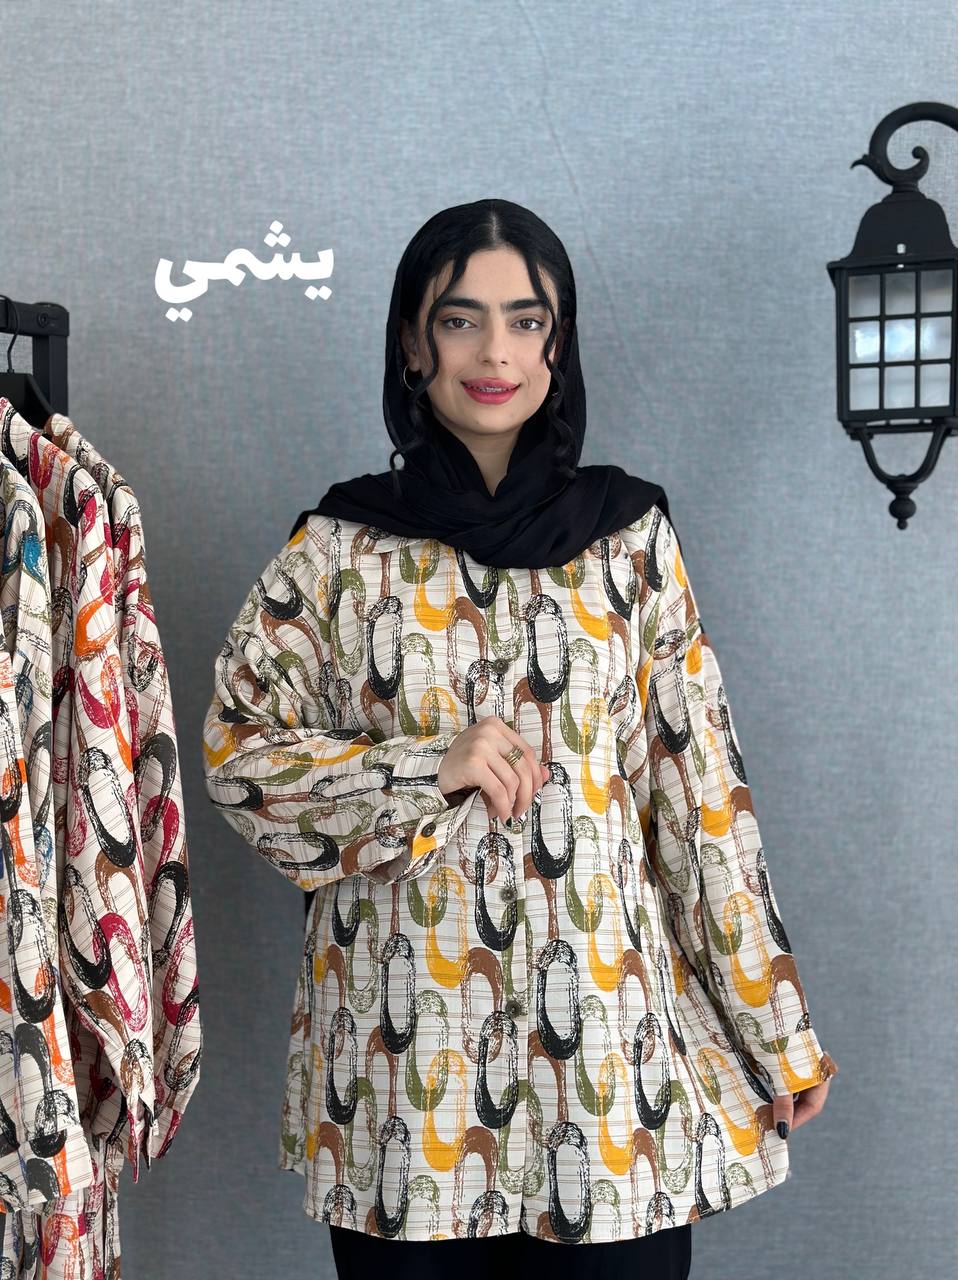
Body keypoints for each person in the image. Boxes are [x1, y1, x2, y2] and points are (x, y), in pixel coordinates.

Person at [202, 199, 838, 1280]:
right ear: (412, 343)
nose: (494, 352)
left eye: (524, 320)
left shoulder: (627, 541)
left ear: (557, 343)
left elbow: (699, 798)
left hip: (608, 1073)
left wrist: (772, 1023)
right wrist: (425, 769)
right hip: (402, 1077)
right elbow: (239, 757)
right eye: (459, 320)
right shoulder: (339, 551)